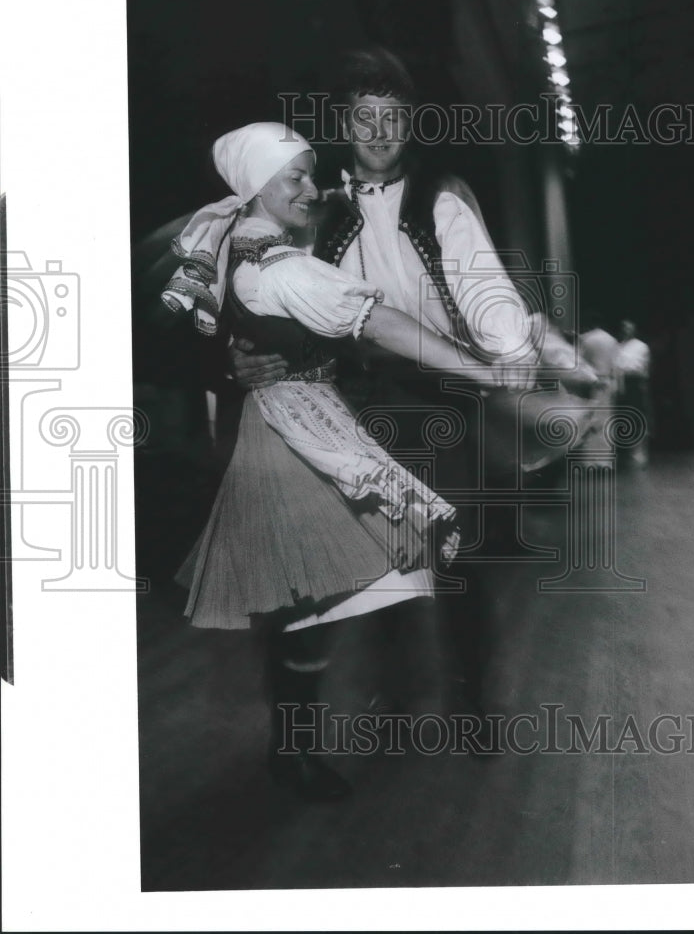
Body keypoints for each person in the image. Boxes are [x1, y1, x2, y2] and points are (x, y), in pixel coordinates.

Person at [161, 122, 503, 801]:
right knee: (318, 592)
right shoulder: (276, 258)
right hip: (290, 435)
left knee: (327, 591)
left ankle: (313, 742)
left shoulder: (237, 240)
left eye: (311, 175)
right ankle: (297, 750)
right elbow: (375, 322)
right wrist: (488, 372)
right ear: (257, 185)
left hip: (315, 423)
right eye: (295, 178)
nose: (311, 189)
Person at [615, 318, 652, 466]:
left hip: (635, 383)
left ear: (634, 329)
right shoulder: (618, 346)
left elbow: (641, 367)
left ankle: (639, 452)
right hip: (620, 383)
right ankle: (626, 453)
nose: (626, 330)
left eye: (629, 327)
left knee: (638, 417)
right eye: (624, 327)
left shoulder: (641, 346)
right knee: (623, 417)